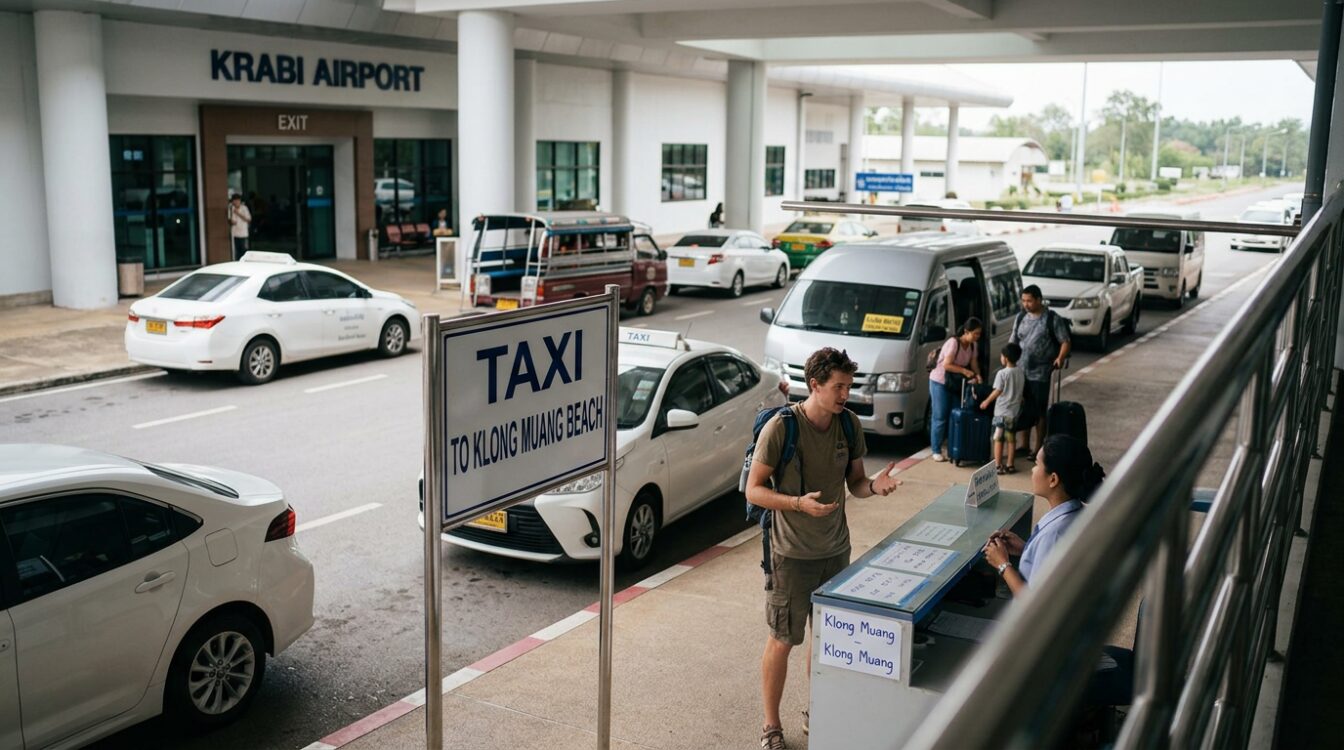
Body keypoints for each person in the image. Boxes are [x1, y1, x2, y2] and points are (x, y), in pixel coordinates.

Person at [745, 347, 902, 750]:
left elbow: (856, 483)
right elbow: (754, 490)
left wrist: (875, 487)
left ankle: (817, 712)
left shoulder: (848, 424)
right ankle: (771, 726)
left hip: (835, 553)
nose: (846, 394)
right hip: (790, 555)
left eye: (849, 386)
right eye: (839, 387)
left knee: (828, 640)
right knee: (783, 638)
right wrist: (798, 504)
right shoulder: (782, 428)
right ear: (814, 385)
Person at [982, 434, 1104, 595]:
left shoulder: (1053, 535)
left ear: (1053, 479)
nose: (1032, 470)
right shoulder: (1075, 514)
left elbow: (1032, 602)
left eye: (1036, 464)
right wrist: (1027, 548)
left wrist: (1002, 564)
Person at [1009, 285, 1071, 459]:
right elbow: (1014, 339)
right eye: (1023, 300)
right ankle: (1024, 445)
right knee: (1023, 408)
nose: (1026, 304)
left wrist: (1060, 358)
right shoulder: (1021, 317)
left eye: (1029, 301)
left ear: (1039, 300)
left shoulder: (1051, 319)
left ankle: (1038, 448)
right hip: (1020, 370)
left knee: (1039, 411)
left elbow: (1065, 341)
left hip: (1040, 373)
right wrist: (1007, 355)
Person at [927, 318, 984, 463]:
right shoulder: (953, 342)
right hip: (940, 381)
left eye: (979, 334)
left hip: (955, 383)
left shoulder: (973, 345)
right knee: (940, 415)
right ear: (966, 332)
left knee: (956, 413)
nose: (977, 337)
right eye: (975, 333)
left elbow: (974, 362)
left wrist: (978, 375)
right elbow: (947, 365)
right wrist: (964, 371)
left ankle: (953, 446)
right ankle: (936, 449)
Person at [980, 342, 1025, 475]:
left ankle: (998, 465)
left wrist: (986, 401)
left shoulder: (1002, 373)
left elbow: (998, 390)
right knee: (1011, 438)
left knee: (998, 438)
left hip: (1001, 412)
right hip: (1013, 413)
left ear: (1005, 358)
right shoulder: (1020, 372)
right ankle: (1010, 465)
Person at [227, 194, 251, 260]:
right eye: (234, 201)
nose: (236, 202)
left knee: (244, 250)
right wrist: (231, 221)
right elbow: (229, 219)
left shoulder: (244, 208)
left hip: (243, 234)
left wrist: (238, 213)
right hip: (235, 233)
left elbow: (248, 219)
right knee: (237, 251)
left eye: (238, 200)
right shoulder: (231, 208)